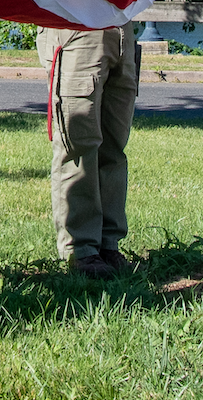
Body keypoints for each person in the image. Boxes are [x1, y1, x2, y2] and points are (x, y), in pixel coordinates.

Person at [37, 23, 139, 279]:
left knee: (114, 148)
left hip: (121, 26)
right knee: (78, 146)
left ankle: (107, 244)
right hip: (76, 27)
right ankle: (81, 249)